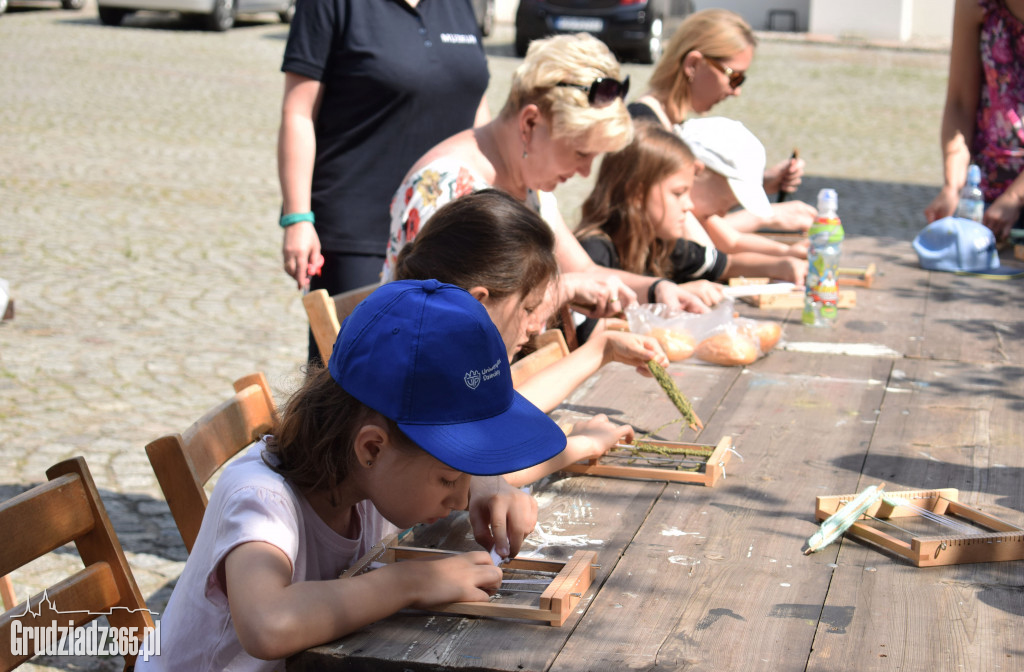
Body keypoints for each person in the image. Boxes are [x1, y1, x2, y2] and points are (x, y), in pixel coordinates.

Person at [137, 280, 564, 671]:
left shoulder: (370, 475)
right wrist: (412, 581)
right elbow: (268, 624)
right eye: (450, 480)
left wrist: (490, 482)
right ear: (372, 448)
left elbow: (445, 473)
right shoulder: (261, 497)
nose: (458, 501)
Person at [381, 32, 719, 313]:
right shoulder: (445, 187)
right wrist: (564, 289)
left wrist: (659, 289)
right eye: (580, 152)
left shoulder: (529, 184)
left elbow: (585, 270)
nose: (586, 172)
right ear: (530, 122)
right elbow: (443, 317)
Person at [393, 190, 660, 485]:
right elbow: (471, 478)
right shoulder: (425, 376)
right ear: (478, 303)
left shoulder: (433, 345)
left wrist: (602, 348)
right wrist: (582, 445)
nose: (534, 327)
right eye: (529, 308)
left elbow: (510, 405)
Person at [277, 0, 490, 361]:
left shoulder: (459, 5)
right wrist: (298, 218)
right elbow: (298, 113)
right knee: (354, 375)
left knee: (438, 368)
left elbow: (478, 113)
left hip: (449, 226)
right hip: (359, 229)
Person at [630, 8, 817, 234]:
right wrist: (765, 216)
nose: (735, 91)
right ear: (693, 64)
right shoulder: (645, 127)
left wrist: (759, 182)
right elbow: (677, 233)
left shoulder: (664, 121)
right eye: (734, 77)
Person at [923, 0, 1024, 242]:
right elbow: (959, 103)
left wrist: (1015, 197)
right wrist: (953, 186)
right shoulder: (975, 4)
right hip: (986, 195)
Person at [678, 117, 808, 285]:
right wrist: (778, 265)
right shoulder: (683, 213)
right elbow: (714, 263)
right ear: (696, 171)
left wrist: (787, 252)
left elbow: (733, 242)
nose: (723, 212)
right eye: (725, 201)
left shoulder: (697, 211)